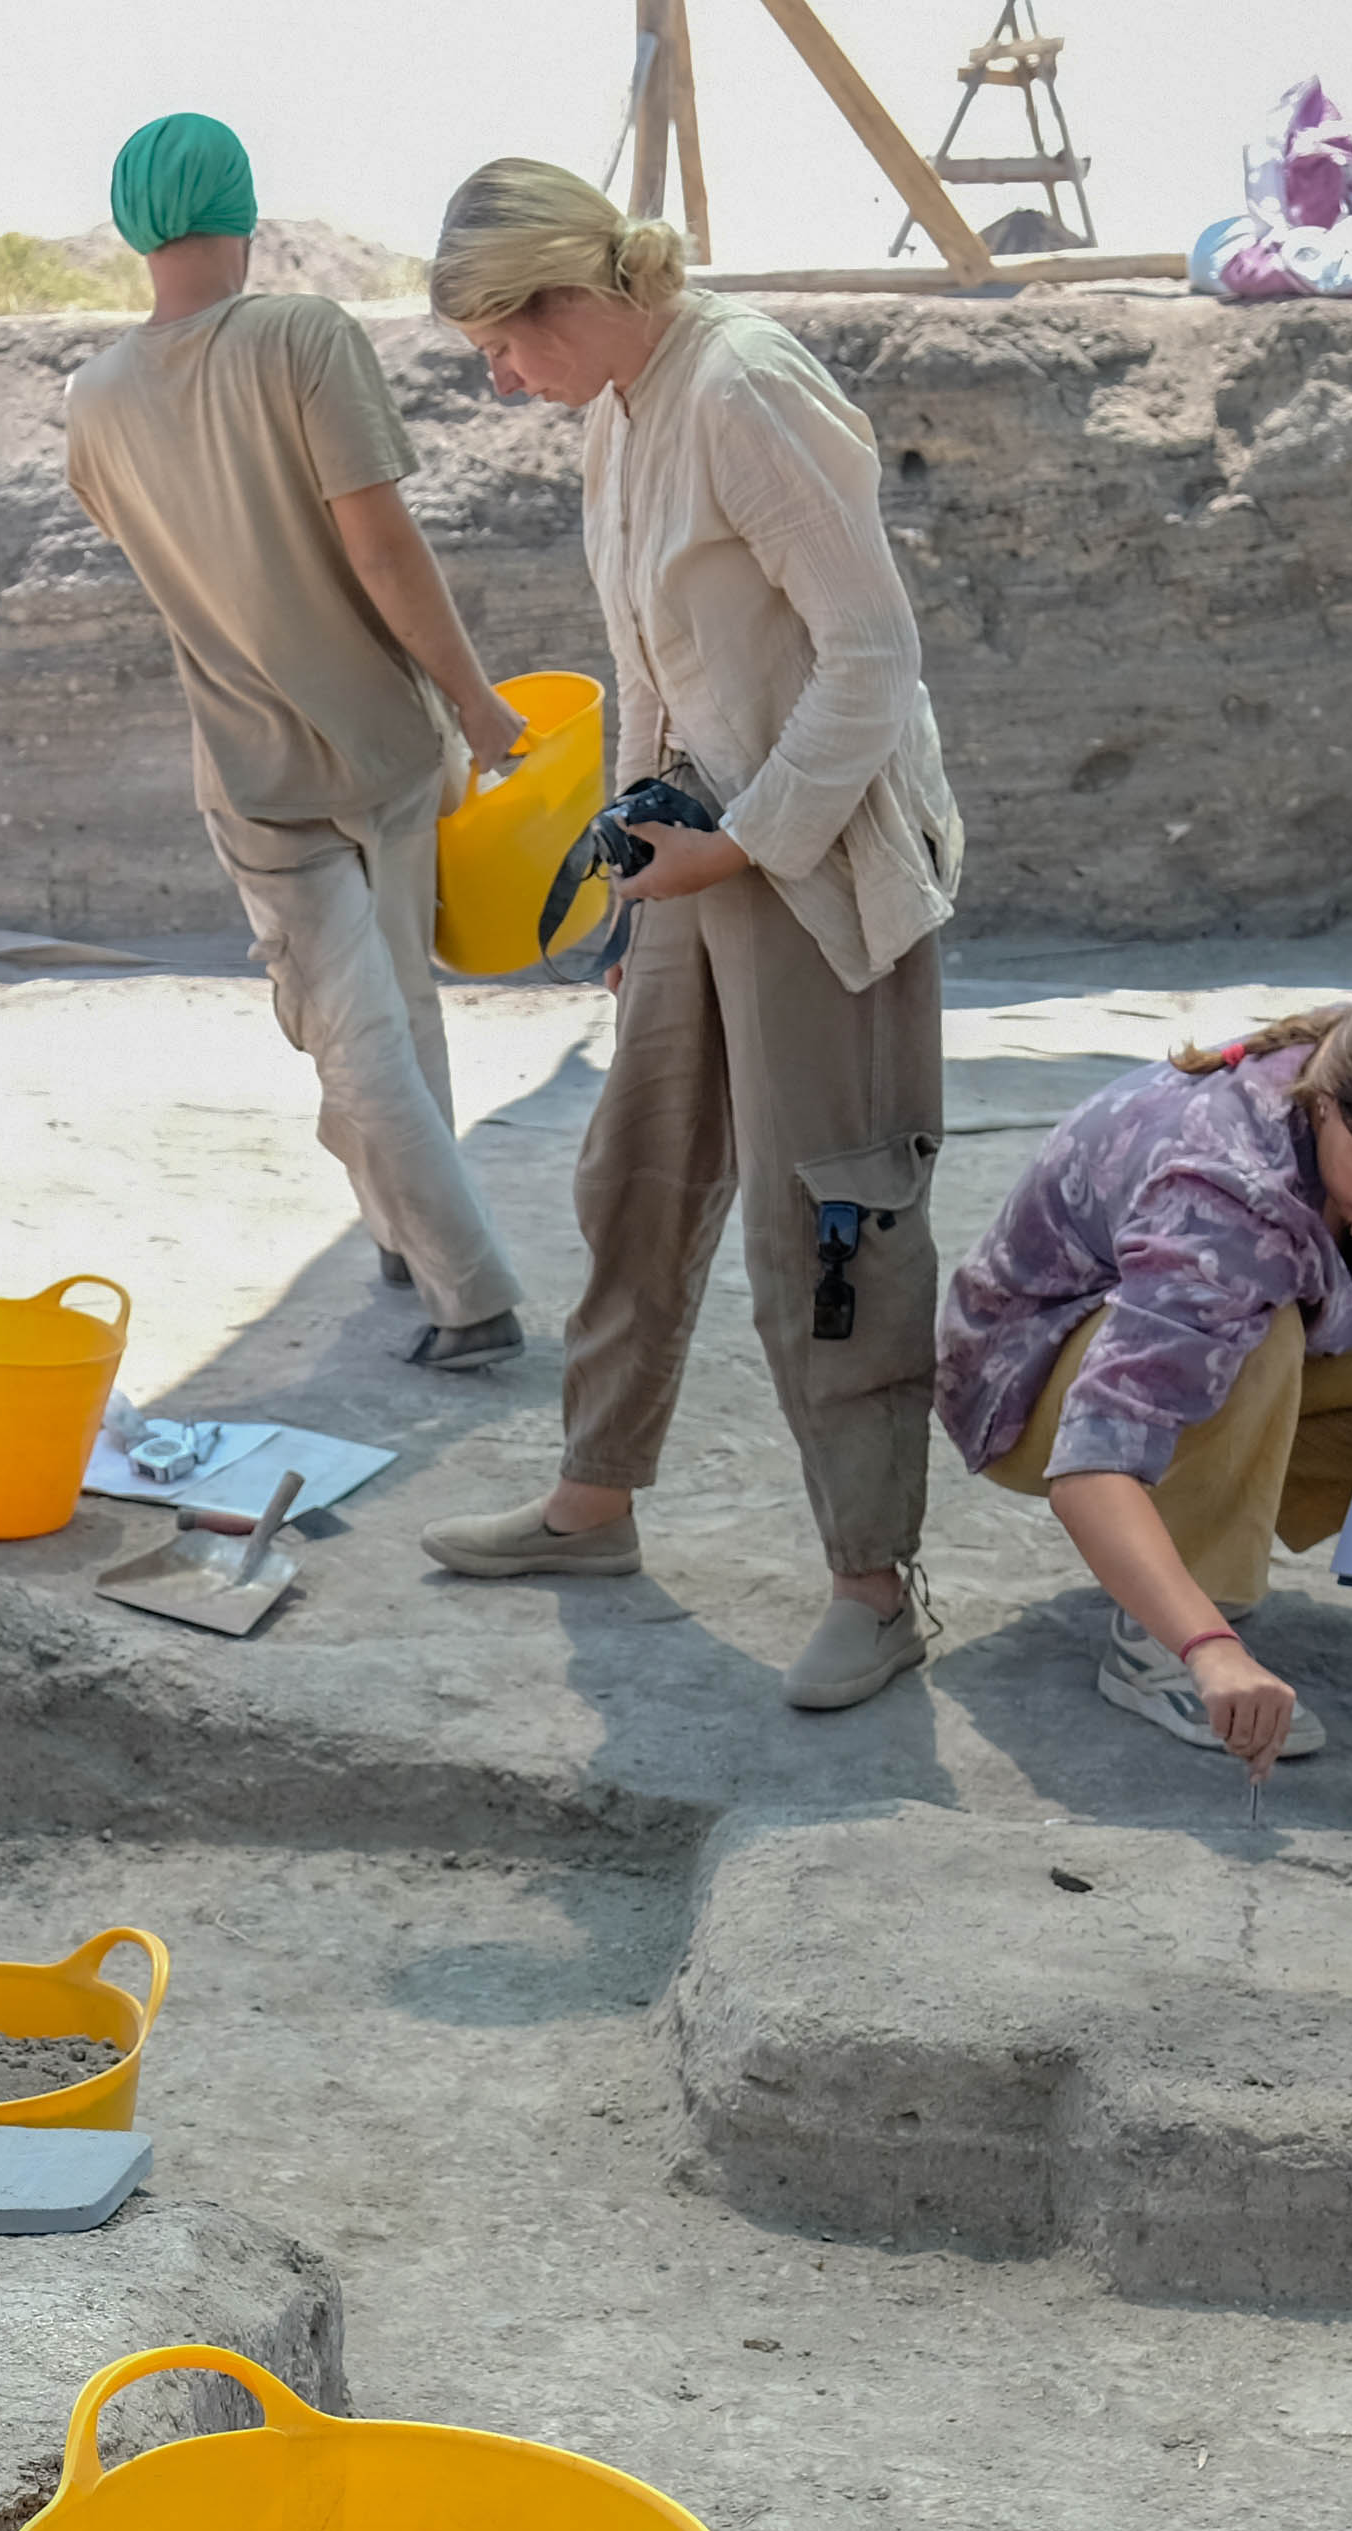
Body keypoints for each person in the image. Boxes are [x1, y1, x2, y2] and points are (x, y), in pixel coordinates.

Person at [409, 159, 968, 1715]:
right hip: (699, 854)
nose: (503, 382)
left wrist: (747, 839)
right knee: (636, 1175)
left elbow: (873, 654)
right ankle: (593, 1499)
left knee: (833, 1230)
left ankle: (876, 1581)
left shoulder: (744, 389)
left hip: (816, 864)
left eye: (504, 346)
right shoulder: (619, 410)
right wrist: (639, 845)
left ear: (572, 297)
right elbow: (648, 659)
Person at [59, 113, 533, 1371]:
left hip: (254, 772)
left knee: (352, 1033)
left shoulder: (94, 404)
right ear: (244, 214)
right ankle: (405, 1233)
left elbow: (180, 563)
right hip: (385, 738)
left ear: (132, 226)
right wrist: (477, 703)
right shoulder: (303, 337)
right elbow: (381, 547)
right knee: (397, 1009)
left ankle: (466, 1288)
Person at [944, 986, 1352, 1774]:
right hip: (1028, 1389)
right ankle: (1156, 1649)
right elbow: (1096, 1461)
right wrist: (1208, 1648)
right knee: (1259, 1339)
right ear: (1329, 1105)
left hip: (1203, 1339)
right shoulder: (1222, 1196)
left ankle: (1205, 1533)